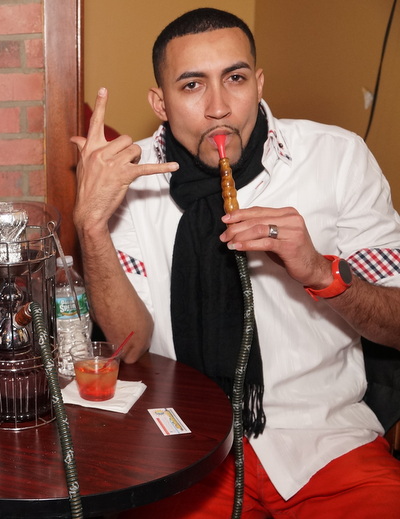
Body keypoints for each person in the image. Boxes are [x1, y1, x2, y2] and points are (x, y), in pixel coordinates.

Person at [72, 8, 400, 518]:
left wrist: (320, 271)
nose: (219, 108)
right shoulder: (127, 179)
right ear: (160, 103)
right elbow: (130, 346)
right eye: (192, 86)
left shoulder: (338, 158)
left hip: (325, 439)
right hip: (182, 443)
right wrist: (91, 223)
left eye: (236, 79)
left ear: (259, 83)